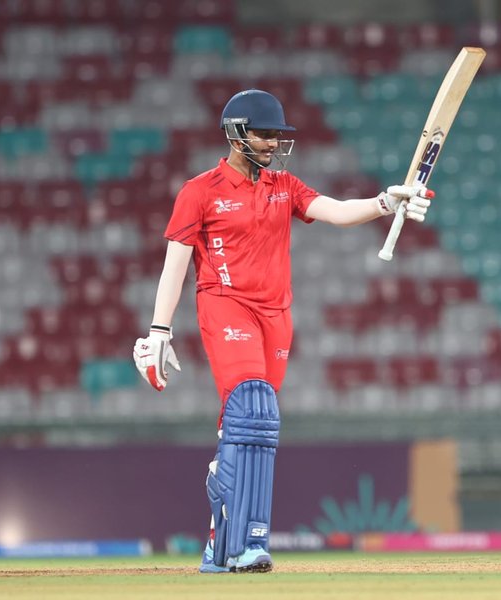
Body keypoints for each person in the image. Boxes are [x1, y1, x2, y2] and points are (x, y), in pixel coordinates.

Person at [132, 89, 432, 574]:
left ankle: (219, 545)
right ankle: (249, 543)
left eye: (277, 135)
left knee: (255, 423)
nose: (273, 143)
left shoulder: (283, 186)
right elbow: (176, 264)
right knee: (252, 407)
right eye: (264, 134)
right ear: (236, 135)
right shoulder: (199, 191)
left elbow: (335, 211)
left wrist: (383, 201)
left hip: (276, 316)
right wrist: (159, 331)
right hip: (225, 305)